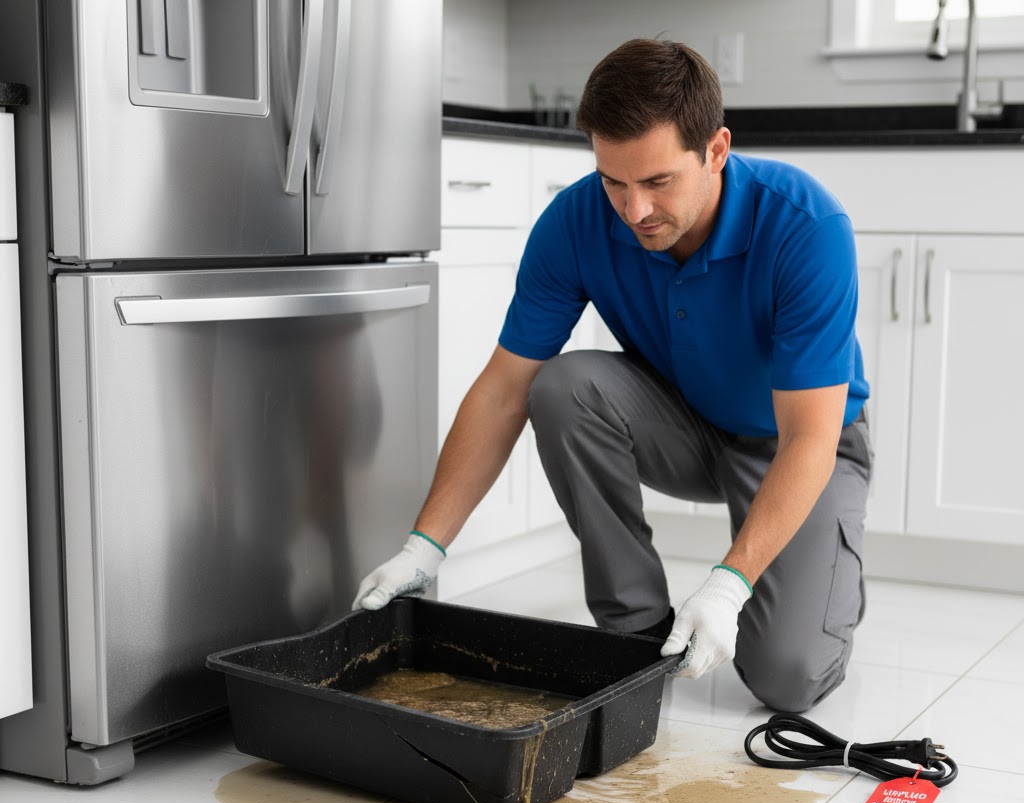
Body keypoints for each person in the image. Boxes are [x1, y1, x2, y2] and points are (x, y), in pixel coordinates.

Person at [353, 38, 872, 714]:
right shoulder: (574, 222)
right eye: (614, 181)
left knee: (786, 679)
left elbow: (809, 437)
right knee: (561, 387)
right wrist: (424, 549)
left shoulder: (804, 226)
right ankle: (633, 634)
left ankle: (826, 581)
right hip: (688, 422)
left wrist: (728, 585)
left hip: (800, 444)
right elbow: (505, 389)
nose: (634, 212)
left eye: (658, 182)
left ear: (715, 150)